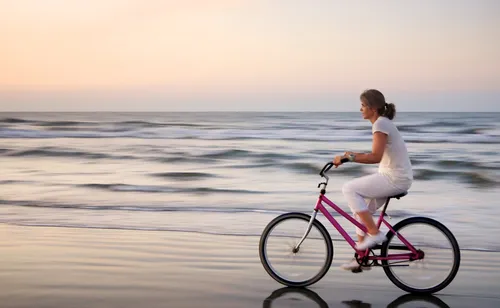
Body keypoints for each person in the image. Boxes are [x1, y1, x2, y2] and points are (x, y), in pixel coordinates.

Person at [333, 89, 413, 271]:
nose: (360, 109)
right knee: (360, 212)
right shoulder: (382, 123)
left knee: (349, 189)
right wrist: (352, 156)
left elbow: (375, 156)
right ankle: (361, 259)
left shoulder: (380, 124)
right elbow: (375, 154)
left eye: (362, 105)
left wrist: (350, 158)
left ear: (373, 108)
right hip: (395, 176)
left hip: (394, 178)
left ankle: (375, 234)